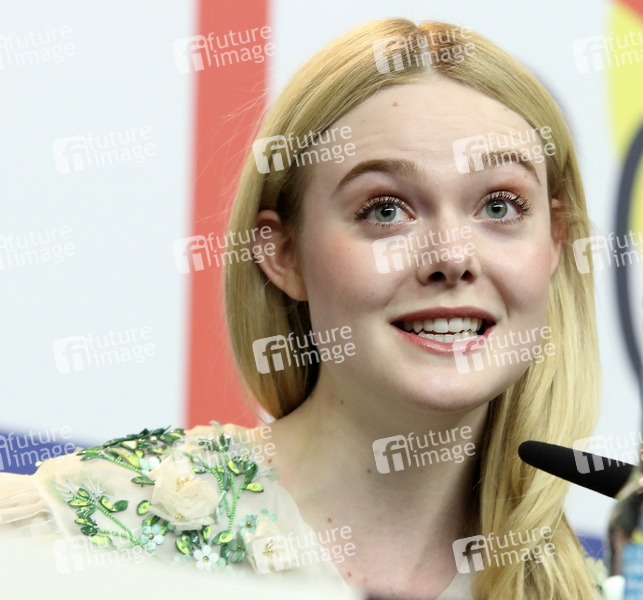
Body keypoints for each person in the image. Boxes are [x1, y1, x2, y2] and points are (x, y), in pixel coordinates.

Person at [0, 19, 605, 600]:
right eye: (385, 210)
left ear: (555, 243)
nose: (451, 256)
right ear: (283, 254)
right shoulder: (86, 533)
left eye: (499, 206)